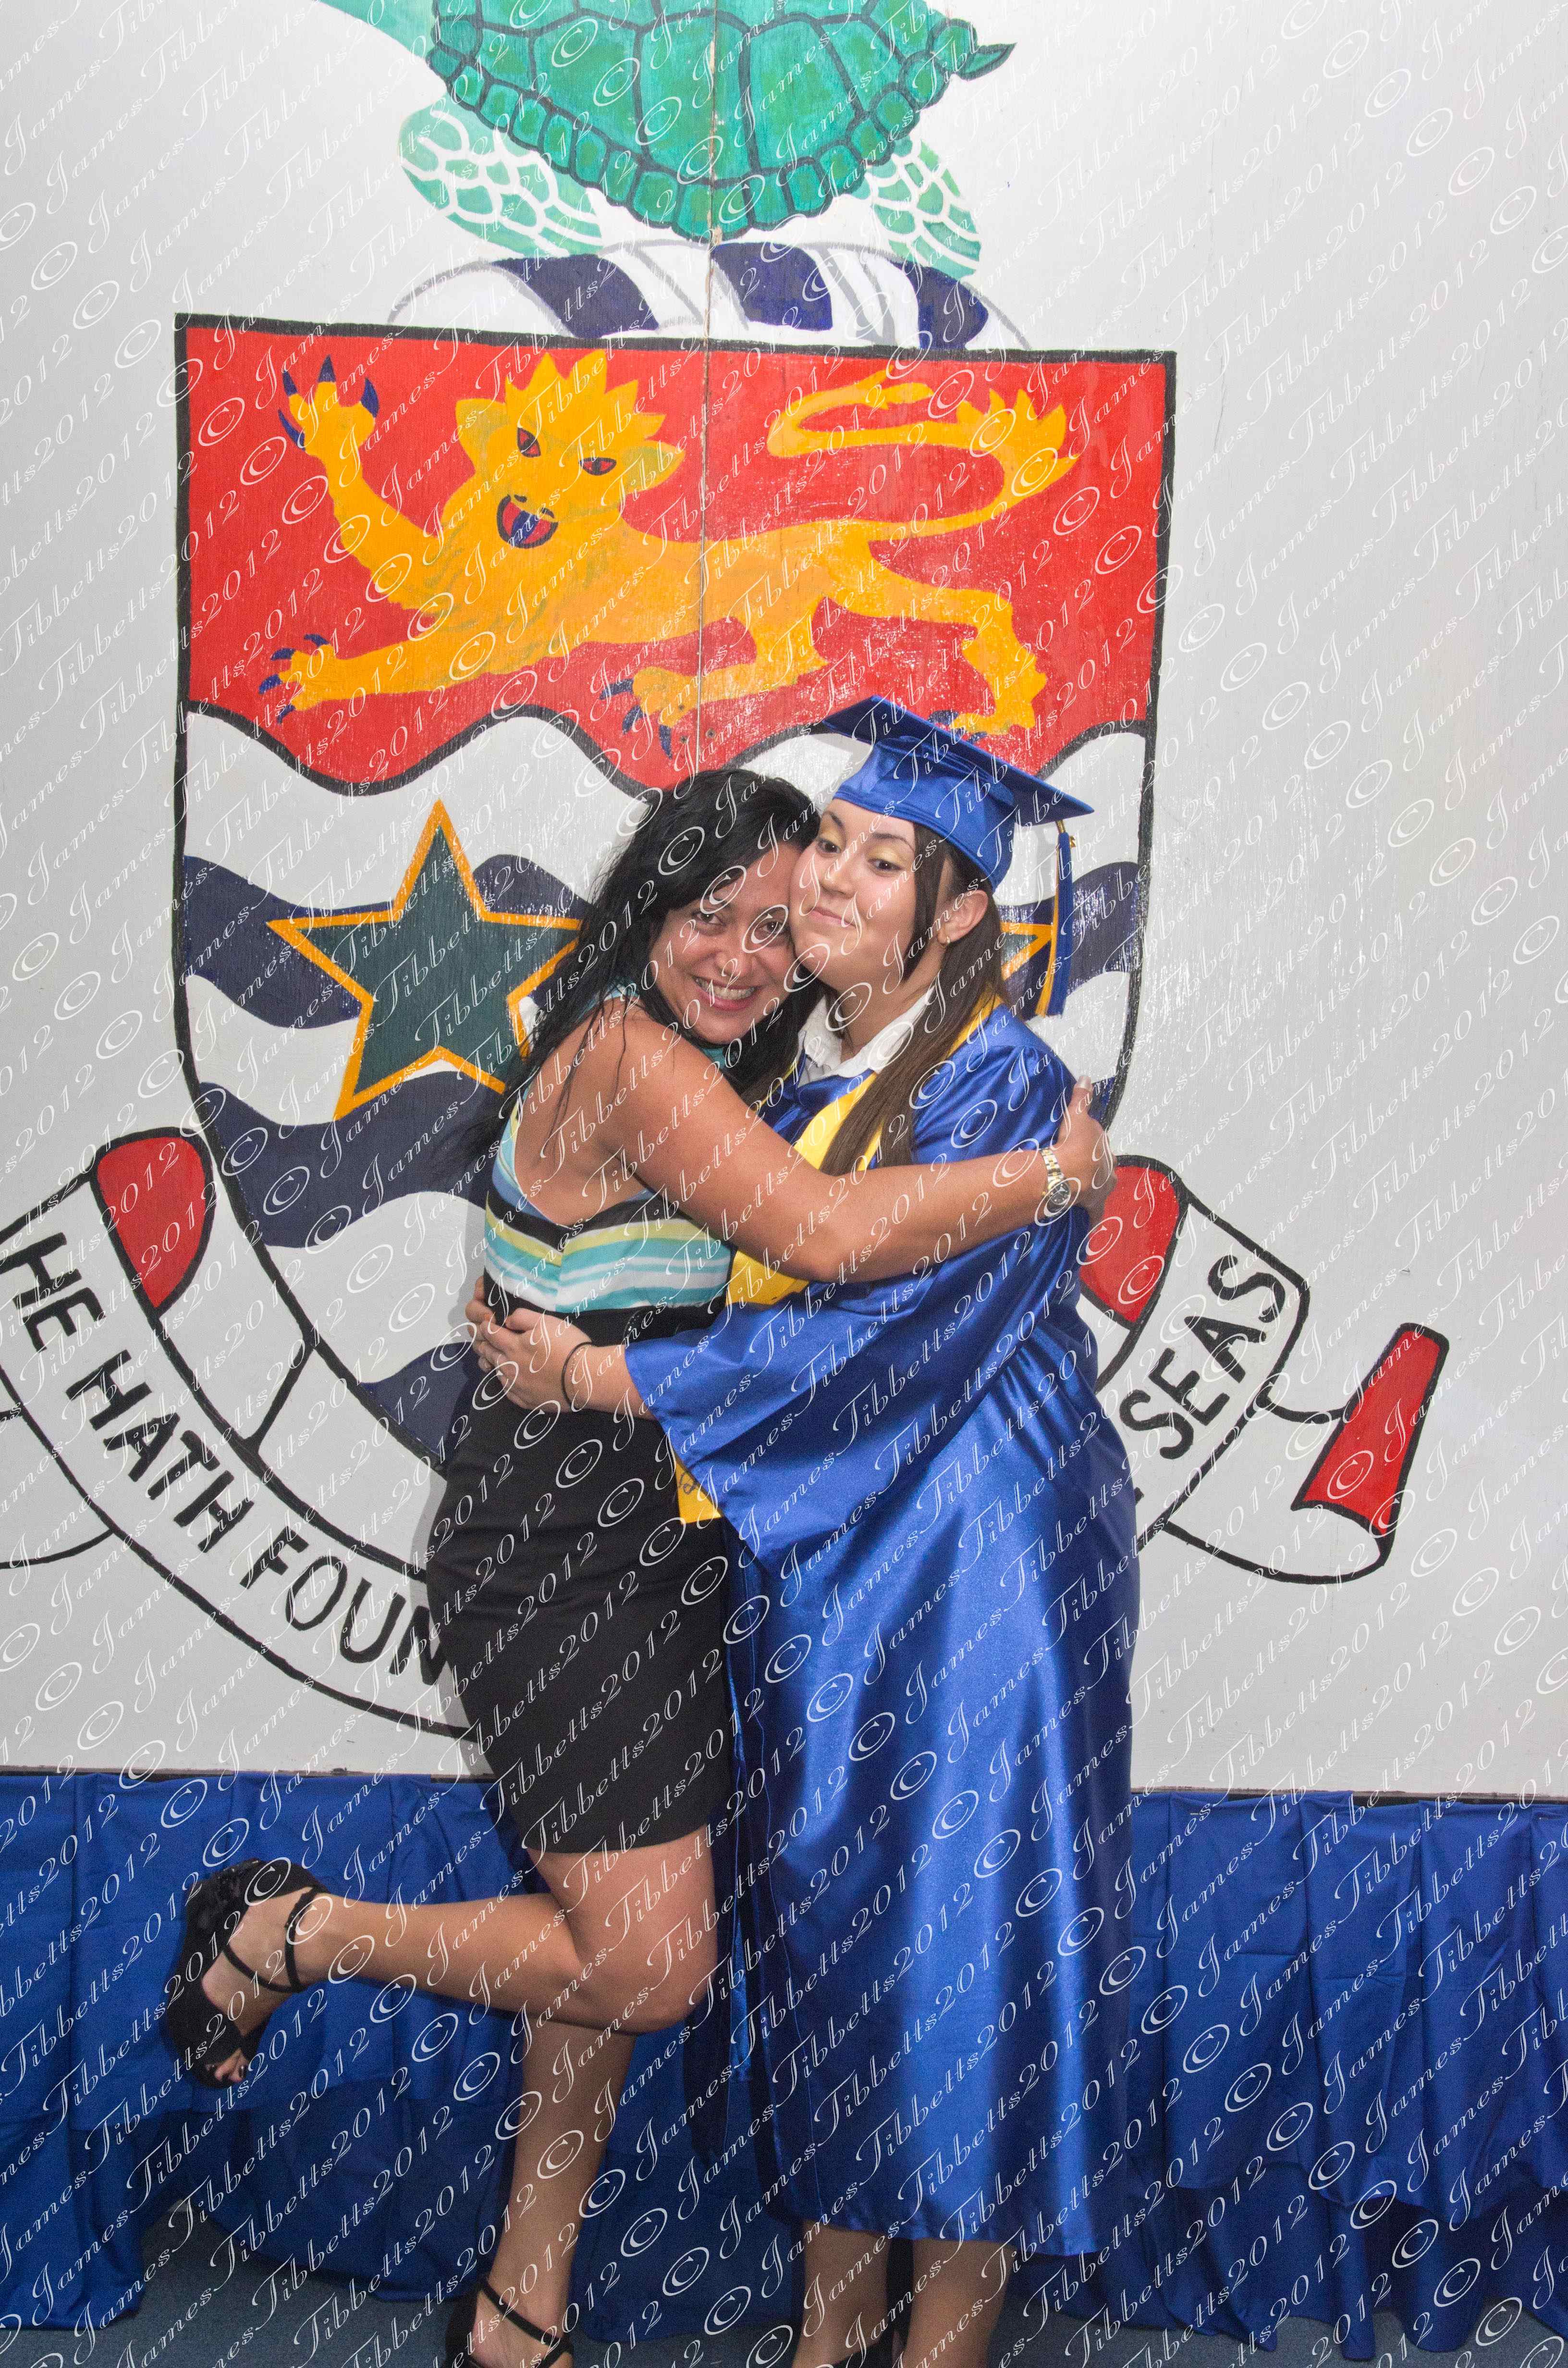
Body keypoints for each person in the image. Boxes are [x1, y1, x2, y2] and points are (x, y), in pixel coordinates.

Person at [163, 757, 1113, 2368]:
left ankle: (521, 2305)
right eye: (709, 915)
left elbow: (841, 1310)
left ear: (949, 915)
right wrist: (1058, 1176)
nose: (746, 950)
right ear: (644, 910)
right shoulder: (634, 1057)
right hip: (564, 1552)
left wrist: (611, 1371)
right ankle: (292, 1930)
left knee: (620, 1932)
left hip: (712, 1553)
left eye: (779, 919)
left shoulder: (784, 1073)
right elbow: (827, 1247)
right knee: (650, 1963)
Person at [489, 702, 1139, 2368]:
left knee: (964, 1946)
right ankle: (829, 2328)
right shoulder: (792, 1064)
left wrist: (612, 1377)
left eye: (883, 861)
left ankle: (942, 2347)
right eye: (830, 848)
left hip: (973, 1562)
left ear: (961, 909)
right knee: (833, 1935)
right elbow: (779, 1263)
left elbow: (876, 1340)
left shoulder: (1002, 1078)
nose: (833, 882)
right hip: (823, 1556)